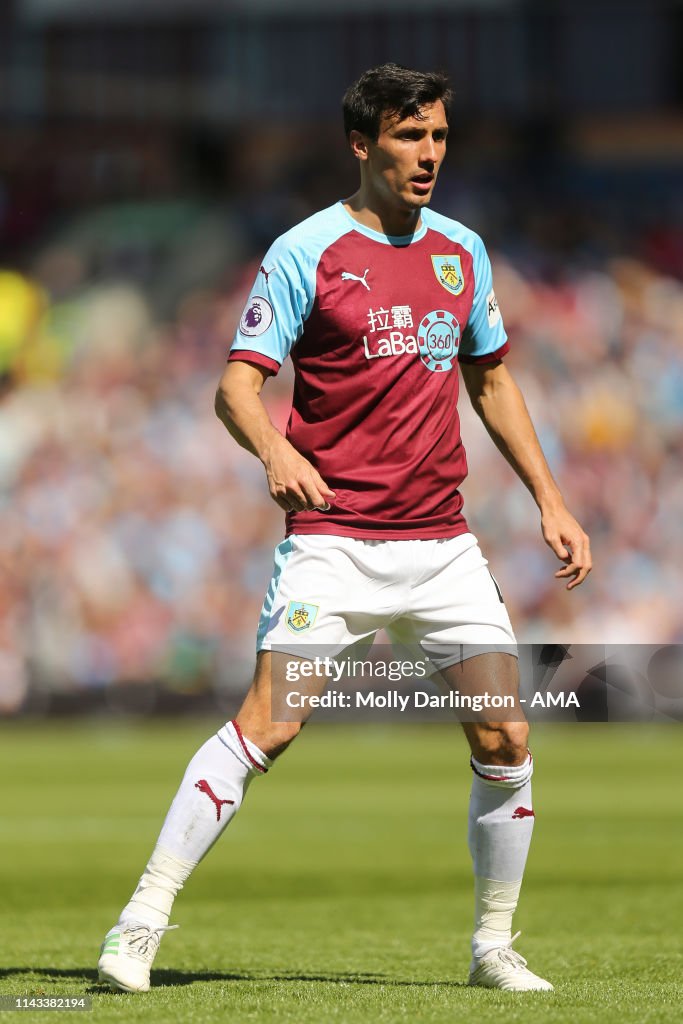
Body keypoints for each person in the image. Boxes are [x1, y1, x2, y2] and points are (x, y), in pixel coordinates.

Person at [98, 63, 591, 994]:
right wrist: (274, 454)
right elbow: (235, 386)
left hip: (442, 546)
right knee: (266, 728)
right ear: (362, 145)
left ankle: (493, 947)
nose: (428, 155)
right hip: (335, 542)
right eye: (409, 137)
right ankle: (139, 922)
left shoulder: (462, 252)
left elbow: (489, 379)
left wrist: (550, 500)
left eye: (438, 136)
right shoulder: (303, 252)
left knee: (506, 738)